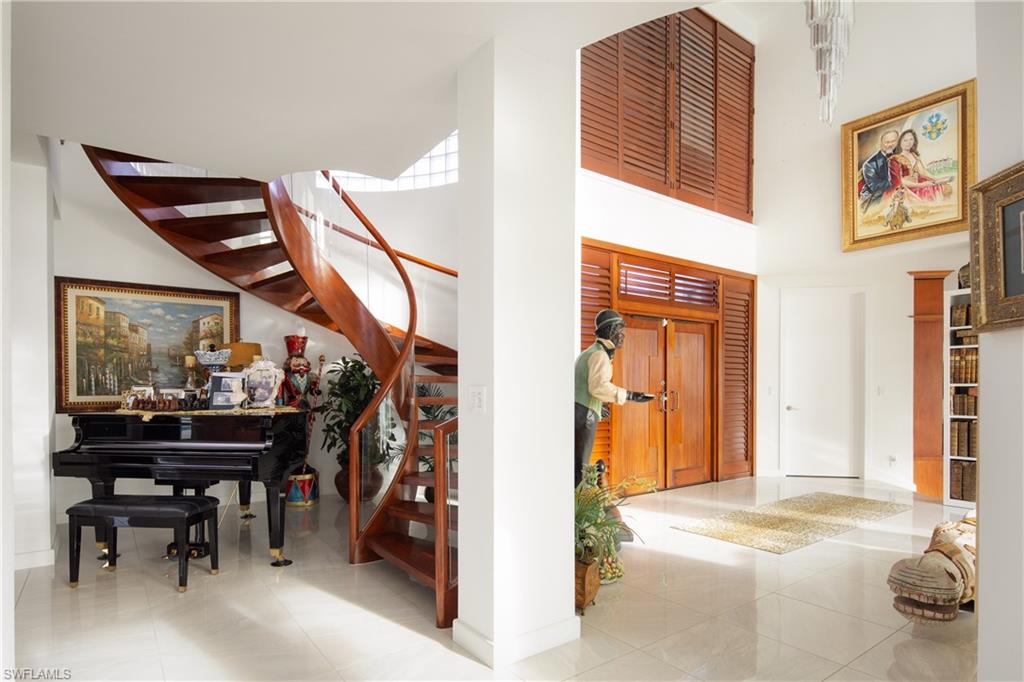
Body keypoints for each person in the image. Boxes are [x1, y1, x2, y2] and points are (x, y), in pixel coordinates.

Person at [573, 309, 654, 487]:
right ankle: (579, 510)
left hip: (580, 412)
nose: (623, 336)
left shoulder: (589, 352)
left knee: (576, 462)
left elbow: (585, 387)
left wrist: (597, 404)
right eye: (620, 330)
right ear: (610, 331)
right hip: (584, 416)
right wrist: (630, 395)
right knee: (580, 466)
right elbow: (598, 386)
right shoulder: (599, 355)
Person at [890, 129, 953, 203]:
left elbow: (924, 172)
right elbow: (899, 181)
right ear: (900, 142)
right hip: (907, 188)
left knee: (944, 186)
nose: (908, 143)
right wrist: (921, 185)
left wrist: (939, 180)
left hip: (919, 184)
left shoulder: (915, 156)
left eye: (911, 139)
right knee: (928, 190)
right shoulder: (895, 159)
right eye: (905, 140)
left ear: (914, 141)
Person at [858, 129, 900, 212]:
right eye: (887, 142)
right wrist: (897, 183)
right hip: (874, 199)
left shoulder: (900, 156)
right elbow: (875, 187)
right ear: (881, 144)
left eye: (893, 141)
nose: (890, 145)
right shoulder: (870, 164)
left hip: (897, 194)